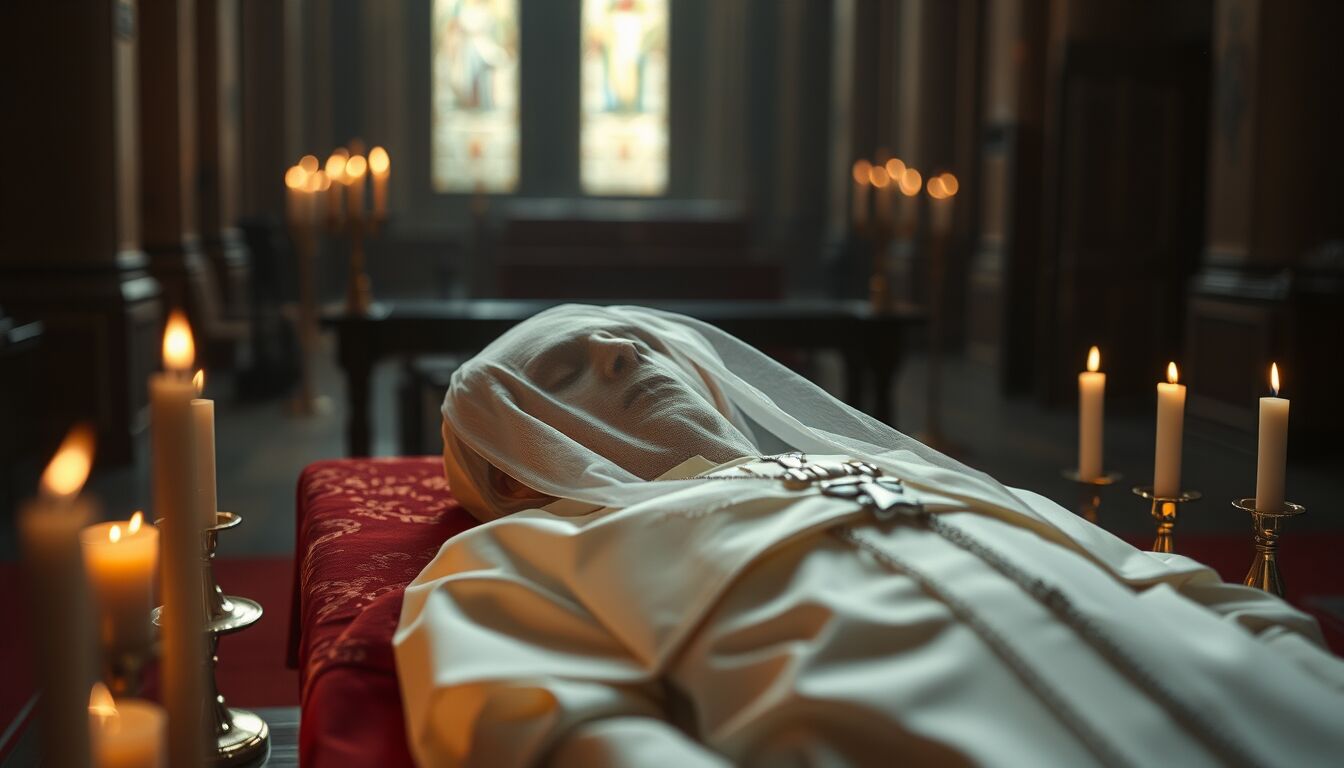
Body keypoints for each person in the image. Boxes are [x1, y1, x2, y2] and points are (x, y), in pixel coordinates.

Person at [394, 304, 1344, 768]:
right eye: (566, 370)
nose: (623, 351)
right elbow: (561, 736)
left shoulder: (922, 471)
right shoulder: (520, 554)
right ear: (516, 464)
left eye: (633, 341)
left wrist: (1305, 683)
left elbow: (1178, 588)